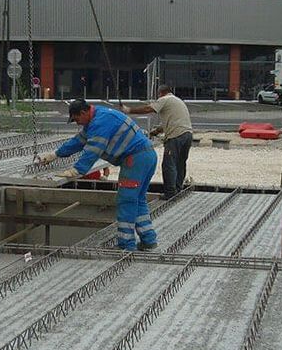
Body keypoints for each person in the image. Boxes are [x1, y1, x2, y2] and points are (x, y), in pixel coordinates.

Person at [38, 99, 157, 251]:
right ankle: (149, 240)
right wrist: (55, 155)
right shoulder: (96, 118)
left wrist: (78, 170)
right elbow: (78, 142)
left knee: (126, 201)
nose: (77, 123)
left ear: (83, 112)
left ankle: (126, 246)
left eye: (76, 119)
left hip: (134, 160)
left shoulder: (100, 121)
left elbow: (94, 149)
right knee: (138, 199)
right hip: (146, 156)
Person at [121, 84, 192, 199]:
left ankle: (170, 193)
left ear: (161, 93)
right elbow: (171, 122)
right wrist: (155, 132)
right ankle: (178, 189)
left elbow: (148, 109)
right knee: (180, 163)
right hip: (187, 135)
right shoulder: (177, 101)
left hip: (175, 137)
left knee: (169, 164)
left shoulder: (164, 99)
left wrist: (128, 110)